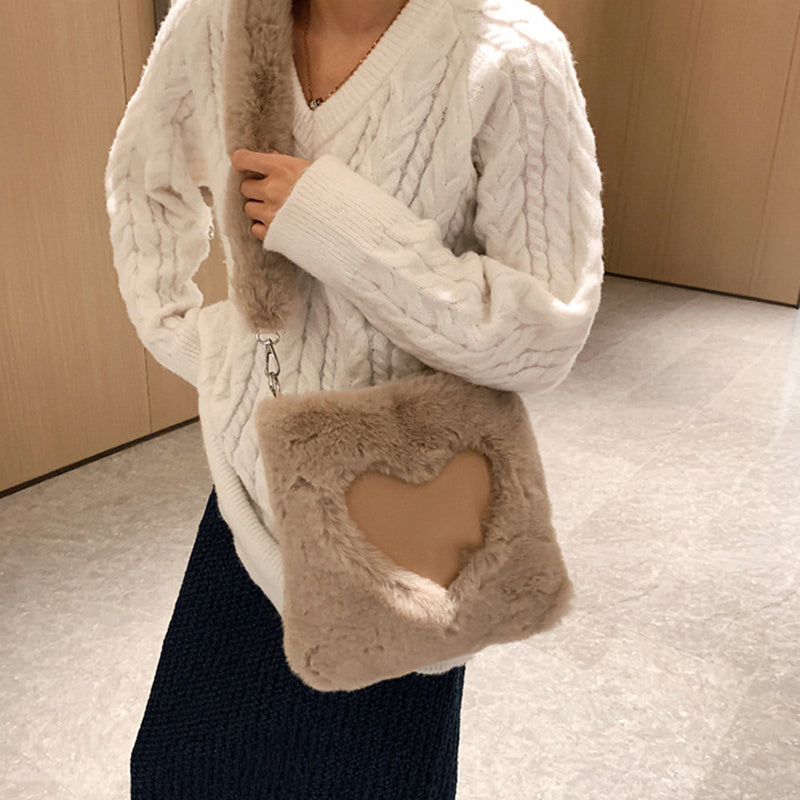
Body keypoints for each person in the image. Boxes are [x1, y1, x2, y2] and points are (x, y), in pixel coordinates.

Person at [105, 0, 604, 796]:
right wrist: (197, 344)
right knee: (180, 771)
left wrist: (334, 224)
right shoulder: (219, 19)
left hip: (413, 501)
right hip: (254, 480)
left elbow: (542, 334)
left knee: (367, 782)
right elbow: (145, 185)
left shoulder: (512, 54)